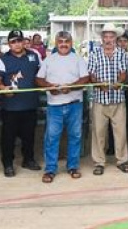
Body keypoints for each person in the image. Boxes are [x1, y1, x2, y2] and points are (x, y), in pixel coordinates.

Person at [35, 32, 90, 183]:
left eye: (67, 41)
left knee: (75, 136)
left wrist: (72, 87)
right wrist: (48, 86)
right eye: (60, 41)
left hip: (74, 104)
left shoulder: (78, 59)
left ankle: (73, 166)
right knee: (52, 138)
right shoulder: (49, 60)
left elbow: (85, 78)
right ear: (55, 42)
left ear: (72, 43)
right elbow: (38, 79)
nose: (64, 44)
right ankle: (50, 169)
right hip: (54, 105)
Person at [0, 30, 43, 177]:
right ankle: (8, 164)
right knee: (8, 138)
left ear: (24, 41)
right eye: (13, 41)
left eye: (19, 40)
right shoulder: (2, 60)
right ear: (9, 44)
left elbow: (42, 73)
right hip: (11, 107)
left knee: (29, 135)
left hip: (30, 104)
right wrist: (2, 88)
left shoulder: (34, 56)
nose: (17, 44)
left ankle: (28, 159)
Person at [88, 24, 128, 176]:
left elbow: (123, 73)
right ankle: (99, 162)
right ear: (102, 38)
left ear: (115, 38)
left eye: (111, 37)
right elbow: (91, 74)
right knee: (98, 132)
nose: (108, 39)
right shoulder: (94, 53)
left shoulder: (121, 53)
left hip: (118, 99)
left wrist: (120, 82)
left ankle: (122, 160)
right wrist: (98, 84)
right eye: (105, 36)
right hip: (100, 100)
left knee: (120, 132)